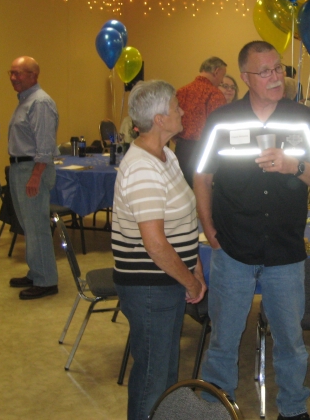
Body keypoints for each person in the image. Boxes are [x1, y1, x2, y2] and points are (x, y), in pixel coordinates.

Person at [194, 40, 310, 420]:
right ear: (245, 78)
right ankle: (216, 405)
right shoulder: (222, 121)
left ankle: (293, 409)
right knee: (224, 338)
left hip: (285, 250)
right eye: (265, 72)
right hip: (233, 248)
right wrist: (208, 228)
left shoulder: (303, 119)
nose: (276, 77)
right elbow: (203, 176)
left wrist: (296, 167)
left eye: (278, 69)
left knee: (291, 341)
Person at [112, 79, 206, 420]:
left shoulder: (166, 155)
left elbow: (180, 221)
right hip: (149, 287)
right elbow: (155, 244)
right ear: (160, 119)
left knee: (165, 374)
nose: (183, 110)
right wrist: (191, 282)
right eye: (177, 106)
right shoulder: (141, 168)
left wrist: (193, 263)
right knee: (152, 378)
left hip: (166, 281)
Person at [7, 56, 59, 300]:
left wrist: (36, 175)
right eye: (12, 73)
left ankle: (46, 280)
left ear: (34, 75)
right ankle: (36, 271)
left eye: (19, 73)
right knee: (29, 226)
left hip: (32, 170)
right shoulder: (25, 101)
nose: (13, 77)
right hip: (21, 169)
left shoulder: (40, 103)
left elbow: (45, 145)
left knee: (37, 227)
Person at [173, 56, 227, 187]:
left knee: (183, 190)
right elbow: (221, 129)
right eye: (222, 75)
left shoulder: (181, 91)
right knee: (203, 190)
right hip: (205, 152)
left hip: (181, 150)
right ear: (216, 71)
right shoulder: (215, 95)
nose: (221, 81)